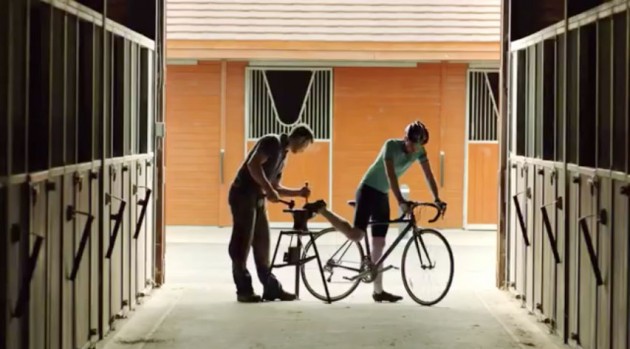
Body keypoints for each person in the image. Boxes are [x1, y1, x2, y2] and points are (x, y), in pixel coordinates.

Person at [305, 121, 446, 303]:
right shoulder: (390, 146)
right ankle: (322, 210)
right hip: (368, 189)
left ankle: (378, 291)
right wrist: (401, 202)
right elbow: (391, 175)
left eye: (416, 145)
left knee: (379, 243)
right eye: (410, 143)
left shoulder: (420, 151)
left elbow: (428, 175)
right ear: (405, 138)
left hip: (383, 194)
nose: (412, 148)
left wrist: (437, 198)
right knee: (356, 235)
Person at [228, 124, 314, 303]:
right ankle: (244, 290)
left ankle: (272, 288)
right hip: (243, 195)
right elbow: (253, 165)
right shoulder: (272, 142)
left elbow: (275, 187)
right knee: (241, 245)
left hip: (258, 200)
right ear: (301, 139)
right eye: (306, 145)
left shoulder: (283, 155)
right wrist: (268, 188)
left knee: (262, 245)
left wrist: (298, 193)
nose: (305, 149)